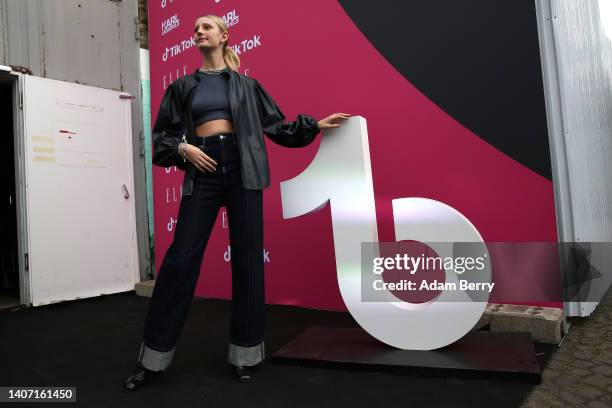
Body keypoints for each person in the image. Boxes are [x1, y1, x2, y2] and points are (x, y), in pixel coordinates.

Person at [123, 14, 350, 391]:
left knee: (248, 263)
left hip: (243, 169)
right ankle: (152, 361)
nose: (198, 31)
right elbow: (162, 139)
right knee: (180, 262)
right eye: (195, 28)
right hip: (203, 166)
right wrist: (184, 149)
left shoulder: (247, 86)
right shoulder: (183, 86)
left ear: (224, 36)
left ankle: (245, 354)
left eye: (206, 27)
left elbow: (278, 127)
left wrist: (313, 125)